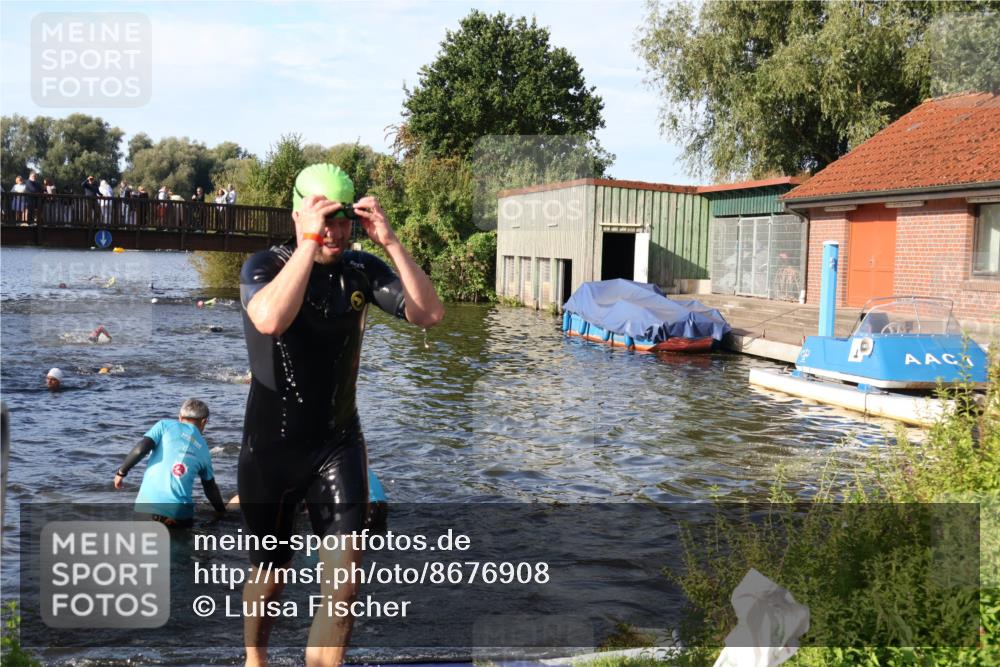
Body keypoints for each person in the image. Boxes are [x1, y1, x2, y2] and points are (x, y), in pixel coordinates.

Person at [237, 163, 443, 667]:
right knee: (271, 572)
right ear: (299, 215)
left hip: (337, 441)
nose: (335, 230)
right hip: (271, 448)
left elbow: (429, 313)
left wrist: (391, 242)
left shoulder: (360, 270)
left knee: (344, 584)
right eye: (324, 217)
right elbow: (269, 319)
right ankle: (255, 658)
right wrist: (308, 243)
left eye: (343, 219)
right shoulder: (264, 266)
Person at [113, 398, 226, 528]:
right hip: (178, 515)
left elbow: (141, 449)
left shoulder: (164, 425)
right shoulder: (204, 449)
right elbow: (210, 488)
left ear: (180, 417)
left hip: (146, 509)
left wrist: (121, 472)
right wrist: (222, 513)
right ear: (204, 422)